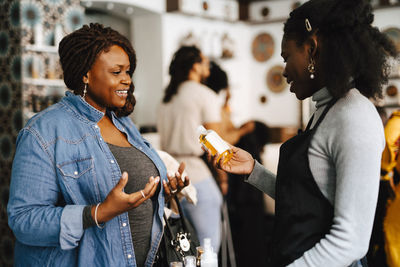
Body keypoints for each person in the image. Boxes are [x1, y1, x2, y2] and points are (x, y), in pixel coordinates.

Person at [210, 0, 398, 266]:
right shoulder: (327, 109)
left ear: (311, 49)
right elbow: (308, 202)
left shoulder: (354, 116)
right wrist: (255, 171)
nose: (284, 71)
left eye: (287, 57)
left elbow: (351, 240)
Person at [7, 23, 188, 267]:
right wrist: (97, 212)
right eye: (116, 72)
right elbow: (24, 221)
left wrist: (165, 189)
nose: (126, 80)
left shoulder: (124, 123)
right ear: (86, 74)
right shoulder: (43, 131)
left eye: (128, 71)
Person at [157, 46, 223, 251]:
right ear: (195, 66)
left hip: (169, 176)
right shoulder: (205, 95)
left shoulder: (166, 98)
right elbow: (217, 145)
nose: (208, 67)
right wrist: (224, 178)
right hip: (196, 174)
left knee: (180, 246)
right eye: (204, 62)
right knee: (208, 245)